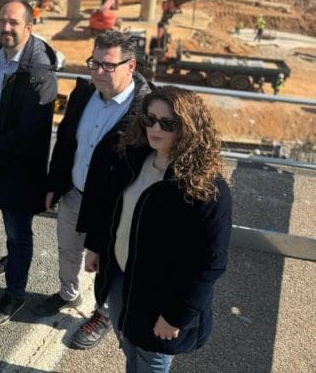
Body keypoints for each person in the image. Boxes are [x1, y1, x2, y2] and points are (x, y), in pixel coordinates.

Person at [84, 86, 232, 372]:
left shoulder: (206, 187)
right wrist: (95, 246)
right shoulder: (134, 158)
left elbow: (210, 263)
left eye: (168, 123)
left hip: (161, 298)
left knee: (151, 359)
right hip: (121, 279)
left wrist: (176, 316)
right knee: (128, 345)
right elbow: (111, 210)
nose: (155, 128)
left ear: (188, 128)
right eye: (149, 119)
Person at [40, 30, 152, 350]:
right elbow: (65, 143)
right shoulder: (83, 94)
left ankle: (102, 313)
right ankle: (68, 293)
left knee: (108, 264)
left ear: (131, 66)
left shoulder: (144, 110)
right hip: (75, 193)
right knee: (67, 250)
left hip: (115, 207)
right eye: (94, 63)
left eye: (108, 65)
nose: (98, 72)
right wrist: (54, 183)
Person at [0, 0, 58, 326]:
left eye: (14, 23)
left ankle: (15, 294)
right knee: (11, 224)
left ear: (29, 28)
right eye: (3, 21)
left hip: (19, 168)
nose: (6, 28)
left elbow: (29, 133)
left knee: (19, 231)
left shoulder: (39, 72)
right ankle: (12, 259)